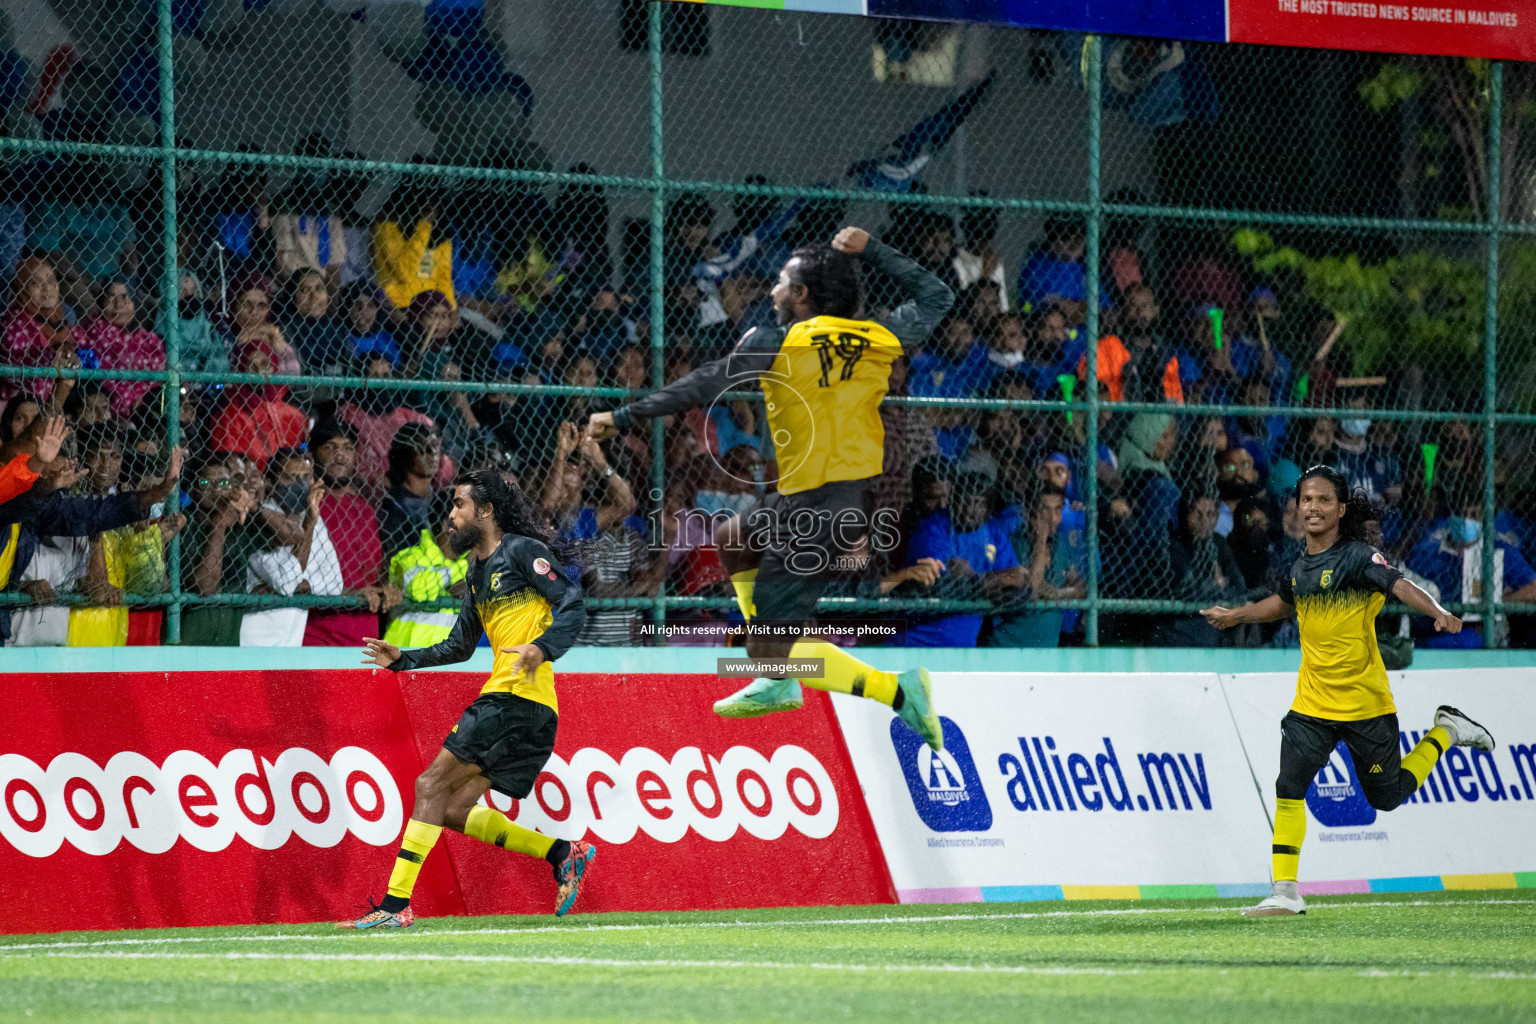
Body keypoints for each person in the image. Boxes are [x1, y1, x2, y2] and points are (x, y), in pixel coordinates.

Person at [588, 226, 951, 748]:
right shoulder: (878, 337)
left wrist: (623, 415)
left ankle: (776, 671)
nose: (774, 291)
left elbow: (704, 383)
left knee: (779, 641)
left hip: (824, 508)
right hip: (826, 501)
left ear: (802, 295)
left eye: (782, 282)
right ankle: (863, 682)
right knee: (734, 541)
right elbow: (939, 296)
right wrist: (873, 250)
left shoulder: (777, 342)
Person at [1201, 466, 1494, 918]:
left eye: (1322, 500)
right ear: (1297, 507)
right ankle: (1285, 891)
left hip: (1364, 705)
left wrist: (1438, 611)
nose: (1312, 507)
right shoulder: (1298, 565)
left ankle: (1446, 732)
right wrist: (1238, 615)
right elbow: (1283, 602)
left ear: (1340, 510)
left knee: (1387, 796)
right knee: (1288, 786)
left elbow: (1400, 584)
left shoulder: (1359, 557)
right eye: (1306, 499)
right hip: (1312, 704)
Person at [350, 470, 592, 928]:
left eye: (459, 505)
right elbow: (460, 647)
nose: (451, 515)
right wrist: (404, 658)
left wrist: (542, 648)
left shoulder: (522, 551)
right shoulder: (477, 571)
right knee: (455, 808)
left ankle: (394, 907)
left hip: (514, 699)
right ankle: (563, 852)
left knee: (429, 786)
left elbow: (574, 603)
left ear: (485, 511)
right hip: (524, 708)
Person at [383, 489, 468, 648]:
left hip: (450, 658)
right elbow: (419, 590)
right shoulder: (408, 557)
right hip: (406, 651)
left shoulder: (475, 560)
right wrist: (461, 569)